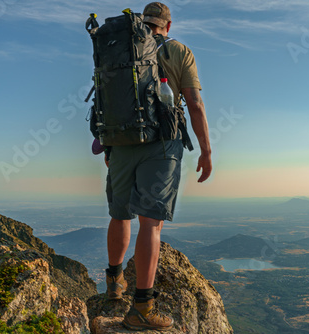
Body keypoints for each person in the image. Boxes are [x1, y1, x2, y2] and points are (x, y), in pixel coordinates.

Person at [103, 2, 212, 331]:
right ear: (168, 23)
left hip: (120, 142)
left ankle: (114, 284)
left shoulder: (117, 45)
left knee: (120, 213)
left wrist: (108, 143)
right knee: (150, 224)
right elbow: (193, 102)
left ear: (143, 21)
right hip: (162, 144)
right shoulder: (178, 50)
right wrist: (206, 150)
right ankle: (142, 308)